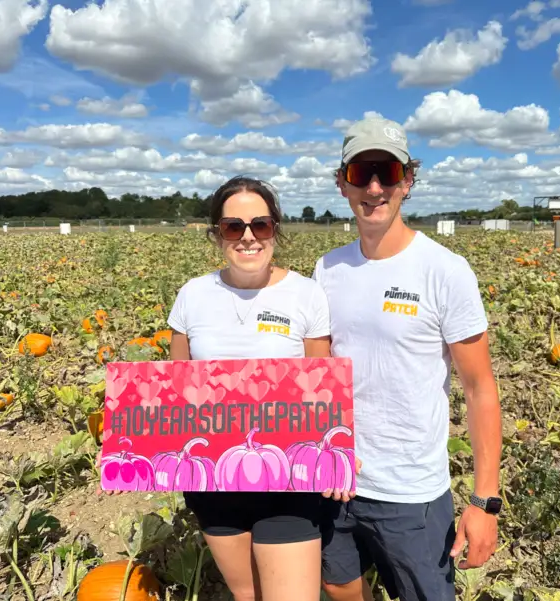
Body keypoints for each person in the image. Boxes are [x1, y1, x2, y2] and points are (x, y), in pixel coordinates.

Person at [100, 175, 356, 601]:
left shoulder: (306, 295)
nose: (248, 237)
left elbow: (321, 389)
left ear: (275, 228)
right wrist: (134, 448)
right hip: (213, 482)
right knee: (247, 596)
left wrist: (339, 458)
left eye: (261, 225)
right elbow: (175, 389)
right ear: (218, 235)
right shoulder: (192, 295)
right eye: (233, 227)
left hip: (289, 481)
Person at [313, 117, 503, 601]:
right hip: (337, 483)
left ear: (408, 181)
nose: (374, 187)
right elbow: (317, 373)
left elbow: (480, 389)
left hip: (411, 493)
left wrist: (484, 500)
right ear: (342, 182)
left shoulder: (445, 270)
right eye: (361, 172)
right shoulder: (328, 268)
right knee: (341, 588)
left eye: (388, 172)